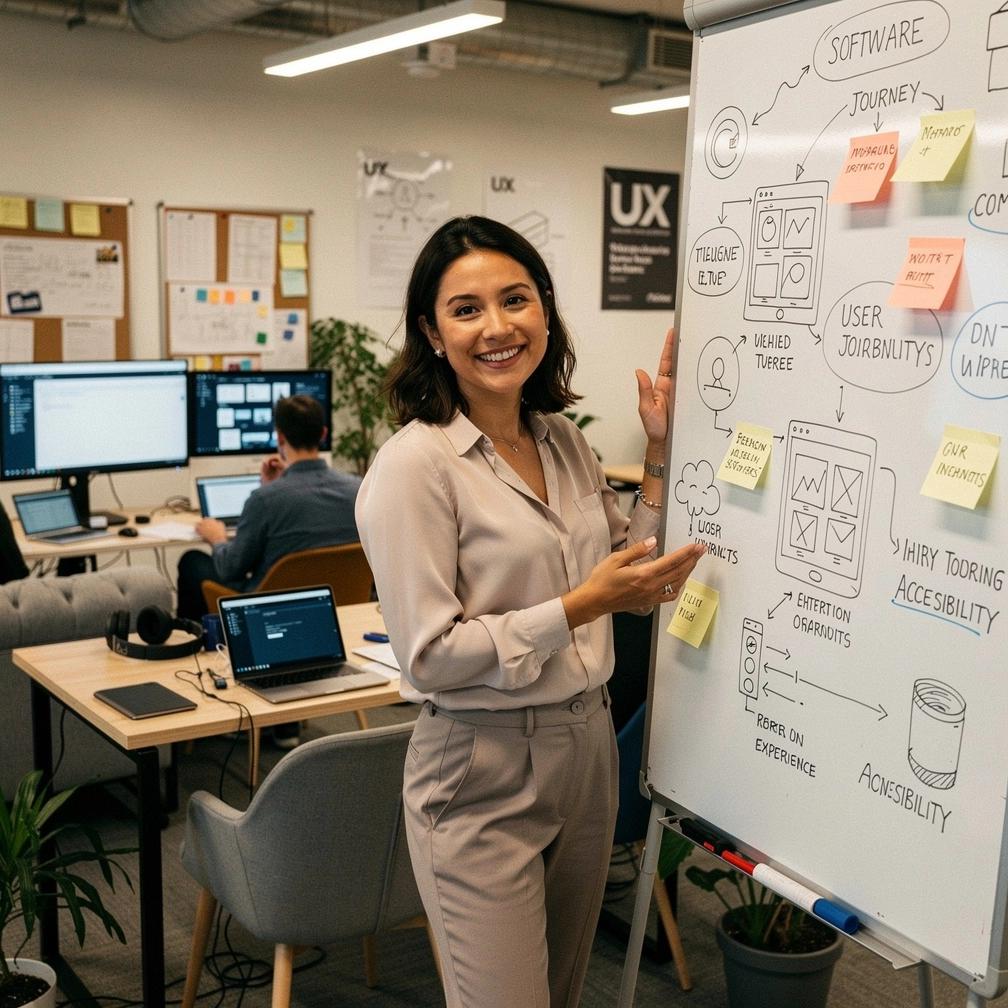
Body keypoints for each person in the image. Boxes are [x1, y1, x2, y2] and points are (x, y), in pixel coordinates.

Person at [355, 215, 705, 1008]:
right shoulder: (415, 466)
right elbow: (429, 655)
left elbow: (636, 571)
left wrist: (658, 449)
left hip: (588, 750)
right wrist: (578, 607)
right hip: (481, 763)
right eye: (466, 309)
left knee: (561, 990)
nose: (498, 327)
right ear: (432, 334)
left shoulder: (561, 441)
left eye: (516, 299)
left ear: (545, 308)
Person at [177, 394, 361, 747]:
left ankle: (204, 703)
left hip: (267, 614)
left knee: (192, 563)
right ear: (323, 434)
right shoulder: (356, 489)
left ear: (279, 438)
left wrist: (216, 537)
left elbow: (231, 567)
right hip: (331, 611)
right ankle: (287, 726)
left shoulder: (266, 501)